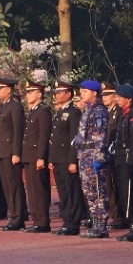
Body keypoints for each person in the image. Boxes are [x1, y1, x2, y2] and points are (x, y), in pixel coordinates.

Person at [74, 80, 112, 238]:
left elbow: (100, 136)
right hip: (84, 156)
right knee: (89, 191)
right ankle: (95, 222)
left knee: (97, 191)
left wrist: (98, 157)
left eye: (85, 91)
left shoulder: (98, 110)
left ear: (94, 93)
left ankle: (101, 225)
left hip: (92, 156)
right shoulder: (88, 109)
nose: (82, 94)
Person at [47, 82, 83, 235]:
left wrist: (72, 160)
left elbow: (74, 138)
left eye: (60, 92)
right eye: (56, 92)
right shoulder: (60, 111)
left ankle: (73, 224)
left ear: (69, 94)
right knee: (63, 193)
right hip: (57, 158)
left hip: (67, 159)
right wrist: (51, 158)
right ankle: (67, 221)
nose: (57, 94)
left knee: (72, 192)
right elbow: (54, 137)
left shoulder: (73, 112)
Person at [111, 84, 133, 240]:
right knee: (124, 192)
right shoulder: (122, 114)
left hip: (128, 158)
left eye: (120, 96)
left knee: (132, 193)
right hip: (120, 157)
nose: (117, 99)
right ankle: (131, 223)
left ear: (129, 99)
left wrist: (131, 161)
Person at [0, 77, 27, 229]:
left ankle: (18, 218)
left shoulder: (14, 106)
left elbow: (18, 131)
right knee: (7, 187)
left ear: (8, 90)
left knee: (14, 186)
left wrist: (16, 153)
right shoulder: (3, 106)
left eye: (0, 89)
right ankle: (13, 215)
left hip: (10, 152)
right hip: (1, 152)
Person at [20, 83, 52, 232]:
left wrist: (41, 156)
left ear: (39, 94)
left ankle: (43, 221)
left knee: (39, 189)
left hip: (36, 156)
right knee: (31, 190)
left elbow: (44, 136)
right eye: (28, 92)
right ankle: (36, 220)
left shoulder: (43, 111)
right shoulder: (33, 112)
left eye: (31, 92)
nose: (28, 95)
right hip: (28, 155)